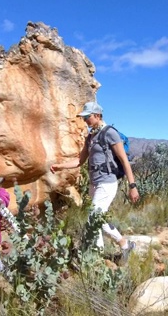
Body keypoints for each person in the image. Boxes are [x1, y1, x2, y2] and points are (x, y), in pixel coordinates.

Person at [50, 101, 139, 262]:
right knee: (99, 218)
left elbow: (124, 161)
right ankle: (125, 244)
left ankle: (95, 258)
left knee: (93, 217)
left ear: (97, 116)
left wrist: (132, 186)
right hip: (94, 184)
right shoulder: (91, 136)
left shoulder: (110, 133)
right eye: (84, 118)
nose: (85, 121)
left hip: (107, 182)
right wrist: (60, 166)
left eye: (87, 117)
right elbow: (80, 161)